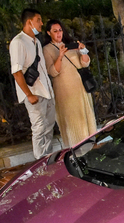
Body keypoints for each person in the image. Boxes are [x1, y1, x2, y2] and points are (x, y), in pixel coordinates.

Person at [9, 9, 56, 159]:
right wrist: (29, 95)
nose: (41, 23)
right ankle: (40, 161)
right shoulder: (18, 42)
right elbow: (16, 72)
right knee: (39, 128)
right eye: (38, 20)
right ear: (29, 22)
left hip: (46, 91)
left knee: (49, 127)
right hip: (34, 93)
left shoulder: (35, 41)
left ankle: (47, 157)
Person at [42, 20, 97, 148]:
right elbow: (53, 72)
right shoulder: (47, 49)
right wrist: (60, 56)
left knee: (85, 116)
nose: (58, 33)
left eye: (60, 30)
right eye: (55, 31)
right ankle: (77, 148)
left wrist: (83, 50)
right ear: (49, 33)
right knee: (72, 119)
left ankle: (89, 145)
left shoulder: (70, 44)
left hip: (80, 88)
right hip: (65, 90)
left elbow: (85, 63)